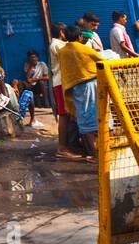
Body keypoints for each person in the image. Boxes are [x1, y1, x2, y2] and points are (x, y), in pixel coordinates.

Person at [59, 27, 104, 162]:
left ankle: (93, 153)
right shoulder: (84, 49)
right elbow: (102, 61)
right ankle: (101, 153)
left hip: (76, 88)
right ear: (79, 36)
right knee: (102, 116)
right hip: (94, 85)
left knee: (84, 119)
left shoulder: (62, 52)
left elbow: (65, 70)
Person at [47, 23, 78, 160]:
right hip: (60, 83)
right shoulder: (57, 45)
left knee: (68, 114)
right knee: (64, 115)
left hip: (64, 82)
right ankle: (62, 147)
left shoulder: (59, 44)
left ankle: (69, 145)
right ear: (61, 32)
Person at [21, 51, 50, 118]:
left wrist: (36, 79)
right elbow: (27, 77)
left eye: (34, 57)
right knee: (24, 84)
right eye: (31, 57)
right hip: (31, 85)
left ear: (37, 58)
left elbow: (47, 77)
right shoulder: (27, 65)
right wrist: (31, 66)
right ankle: (26, 105)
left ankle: (46, 102)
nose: (33, 59)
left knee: (42, 83)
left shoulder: (42, 64)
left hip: (39, 83)